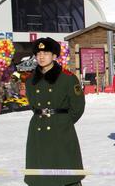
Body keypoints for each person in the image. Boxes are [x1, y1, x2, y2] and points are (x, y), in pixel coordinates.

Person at [25, 37, 85, 186]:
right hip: (38, 129)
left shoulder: (67, 78)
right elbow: (33, 105)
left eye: (46, 53)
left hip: (60, 128)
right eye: (38, 53)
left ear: (54, 56)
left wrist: (63, 122)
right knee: (39, 173)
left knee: (65, 172)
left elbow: (78, 106)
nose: (41, 56)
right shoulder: (31, 80)